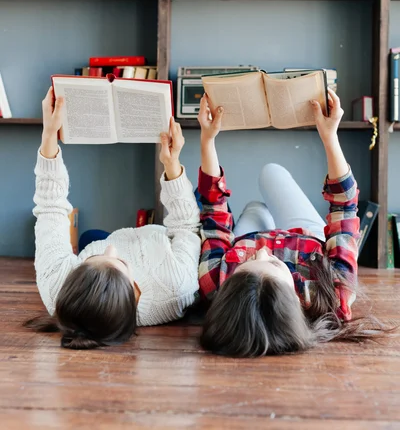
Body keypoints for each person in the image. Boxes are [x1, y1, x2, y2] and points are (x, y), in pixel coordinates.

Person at [196, 90, 384, 358]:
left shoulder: (216, 285)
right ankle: (263, 214)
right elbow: (344, 206)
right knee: (271, 172)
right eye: (272, 263)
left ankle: (260, 214)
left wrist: (207, 140)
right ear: (294, 299)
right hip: (307, 238)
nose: (263, 251)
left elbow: (213, 213)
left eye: (247, 263)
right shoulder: (334, 296)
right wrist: (330, 136)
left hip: (247, 235)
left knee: (255, 207)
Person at [25, 87, 201, 349]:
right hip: (161, 243)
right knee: (201, 198)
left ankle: (97, 256)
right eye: (119, 262)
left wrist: (49, 135)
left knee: (92, 238)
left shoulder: (57, 287)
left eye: (90, 261)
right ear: (134, 291)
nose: (111, 248)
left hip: (129, 244)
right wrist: (172, 163)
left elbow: (51, 206)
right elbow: (186, 225)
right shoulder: (177, 284)